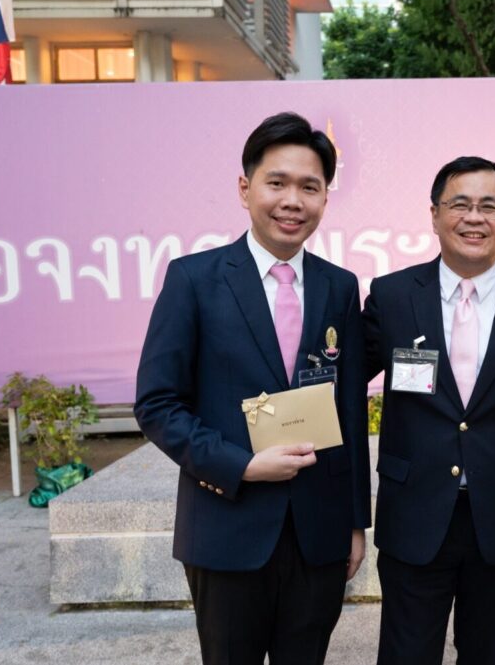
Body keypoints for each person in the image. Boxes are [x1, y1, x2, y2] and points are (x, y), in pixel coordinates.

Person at [134, 112, 371, 665]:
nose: (293, 200)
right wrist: (239, 465)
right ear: (246, 189)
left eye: (309, 187)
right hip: (227, 527)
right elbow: (157, 404)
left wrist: (356, 521)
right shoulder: (194, 279)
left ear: (325, 199)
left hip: (318, 534)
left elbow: (350, 412)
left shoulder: (340, 287)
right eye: (278, 183)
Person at [362, 156, 495, 665]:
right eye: (460, 204)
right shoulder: (391, 297)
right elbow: (342, 389)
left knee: (487, 653)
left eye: (488, 207)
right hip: (415, 512)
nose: (473, 218)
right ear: (434, 215)